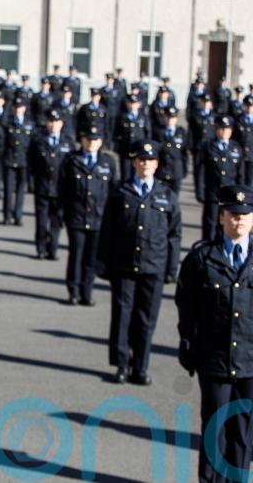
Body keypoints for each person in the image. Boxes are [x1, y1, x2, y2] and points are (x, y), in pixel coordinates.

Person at [176, 184, 253, 483]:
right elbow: (186, 307)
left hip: (249, 360)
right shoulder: (201, 259)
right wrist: (189, 347)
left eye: (246, 215)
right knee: (214, 428)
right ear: (221, 217)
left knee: (243, 432)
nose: (240, 221)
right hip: (215, 359)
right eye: (233, 215)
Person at [98, 140, 181, 385]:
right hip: (124, 265)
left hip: (153, 266)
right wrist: (102, 263)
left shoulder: (166, 195)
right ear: (134, 162)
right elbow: (107, 230)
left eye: (150, 160)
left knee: (146, 320)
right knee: (122, 316)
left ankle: (140, 366)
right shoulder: (120, 192)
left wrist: (171, 267)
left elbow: (174, 234)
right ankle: (121, 365)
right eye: (141, 160)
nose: (146, 164)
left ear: (157, 164)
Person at [60, 124, 117, 305]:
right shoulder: (71, 160)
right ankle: (73, 292)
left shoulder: (108, 162)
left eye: (95, 140)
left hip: (99, 218)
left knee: (92, 258)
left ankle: (87, 292)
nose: (91, 143)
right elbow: (62, 189)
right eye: (88, 139)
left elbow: (113, 191)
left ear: (101, 142)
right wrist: (62, 213)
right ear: (82, 140)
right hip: (76, 215)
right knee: (76, 254)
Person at [29, 109, 75, 260]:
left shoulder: (68, 142)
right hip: (42, 186)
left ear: (61, 124)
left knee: (56, 221)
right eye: (51, 121)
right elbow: (32, 162)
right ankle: (41, 248)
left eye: (57, 122)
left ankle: (53, 248)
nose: (53, 125)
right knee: (42, 221)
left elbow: (71, 167)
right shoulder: (38, 139)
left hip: (60, 189)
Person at [196, 116, 244, 241]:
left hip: (230, 195)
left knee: (227, 225)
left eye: (227, 129)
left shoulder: (236, 148)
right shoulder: (208, 147)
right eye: (221, 128)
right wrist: (200, 191)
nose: (224, 132)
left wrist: (241, 193)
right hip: (213, 193)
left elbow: (240, 174)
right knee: (210, 224)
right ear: (216, 129)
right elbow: (200, 171)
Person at [2, 96, 34, 226]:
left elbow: (31, 144)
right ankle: (7, 215)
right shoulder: (8, 122)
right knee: (8, 189)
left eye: (20, 107)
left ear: (25, 108)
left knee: (21, 190)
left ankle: (18, 215)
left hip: (23, 161)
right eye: (16, 107)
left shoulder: (29, 124)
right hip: (9, 160)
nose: (18, 110)